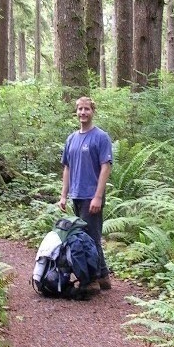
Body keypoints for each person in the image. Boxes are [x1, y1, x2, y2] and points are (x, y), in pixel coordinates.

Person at [58, 97, 112, 290]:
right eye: (80, 109)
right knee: (87, 234)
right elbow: (67, 168)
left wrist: (98, 196)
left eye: (86, 109)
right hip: (77, 195)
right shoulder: (71, 139)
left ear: (92, 112)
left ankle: (92, 280)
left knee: (90, 237)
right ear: (76, 112)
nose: (83, 112)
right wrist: (64, 195)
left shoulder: (100, 137)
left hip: (92, 195)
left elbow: (106, 167)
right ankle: (104, 275)